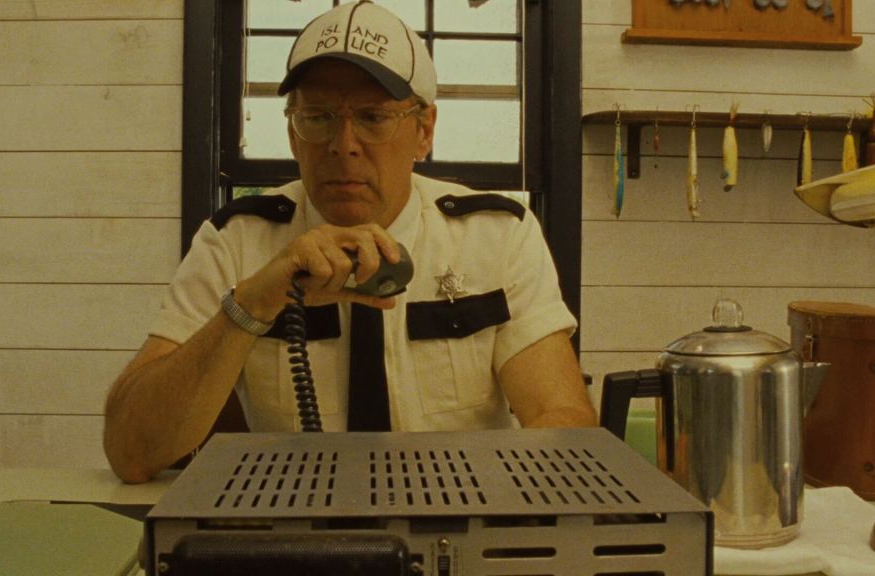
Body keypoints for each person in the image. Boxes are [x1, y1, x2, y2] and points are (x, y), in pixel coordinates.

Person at [104, 0, 596, 484]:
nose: (343, 145)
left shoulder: (497, 236)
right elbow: (132, 454)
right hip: (293, 519)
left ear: (424, 131)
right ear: (293, 135)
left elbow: (562, 421)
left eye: (373, 118)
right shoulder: (235, 242)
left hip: (459, 513)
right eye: (317, 118)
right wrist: (251, 305)